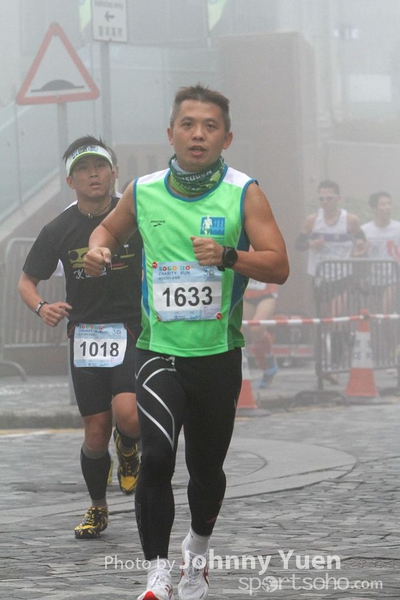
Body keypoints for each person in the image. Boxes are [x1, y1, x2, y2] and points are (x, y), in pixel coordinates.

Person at [84, 84, 289, 600]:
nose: (198, 135)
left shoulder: (244, 192)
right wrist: (97, 250)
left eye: (210, 127)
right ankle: (156, 574)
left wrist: (228, 255)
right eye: (188, 125)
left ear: (226, 138)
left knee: (206, 471)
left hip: (217, 354)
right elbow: (106, 232)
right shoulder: (144, 190)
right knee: (156, 456)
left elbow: (278, 265)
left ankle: (196, 555)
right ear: (170, 133)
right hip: (159, 351)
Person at [17, 135, 142, 540]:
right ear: (70, 181)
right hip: (86, 335)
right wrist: (42, 307)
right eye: (83, 169)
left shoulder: (135, 215)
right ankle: (98, 507)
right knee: (95, 431)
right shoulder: (59, 228)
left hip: (132, 329)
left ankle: (129, 447)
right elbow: (26, 281)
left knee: (129, 415)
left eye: (100, 166)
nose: (93, 175)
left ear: (114, 172)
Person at [295, 180, 367, 381]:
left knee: (335, 317)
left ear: (338, 198)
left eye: (329, 198)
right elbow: (298, 244)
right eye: (321, 199)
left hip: (343, 276)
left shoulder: (349, 220)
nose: (325, 202)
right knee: (325, 320)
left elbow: (362, 239)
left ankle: (334, 364)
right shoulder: (313, 220)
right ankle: (331, 357)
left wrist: (360, 248)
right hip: (320, 276)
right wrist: (311, 244)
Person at [243, 253, 279, 387]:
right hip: (247, 294)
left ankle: (269, 358)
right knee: (251, 333)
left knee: (256, 328)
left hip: (266, 294)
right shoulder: (237, 243)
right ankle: (267, 368)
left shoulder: (263, 244)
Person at [361, 191, 400, 313]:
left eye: (389, 203)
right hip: (372, 279)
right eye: (383, 204)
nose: (387, 207)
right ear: (374, 209)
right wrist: (363, 250)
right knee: (374, 315)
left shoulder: (398, 228)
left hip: (392, 278)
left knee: (385, 311)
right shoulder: (365, 230)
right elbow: (358, 254)